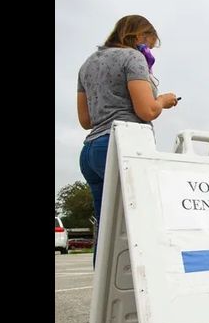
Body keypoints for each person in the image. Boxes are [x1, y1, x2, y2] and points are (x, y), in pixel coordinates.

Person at [77, 15, 179, 264]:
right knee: (141, 224)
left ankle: (104, 296)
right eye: (150, 45)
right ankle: (142, 294)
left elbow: (85, 120)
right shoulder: (132, 58)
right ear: (139, 37)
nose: (149, 52)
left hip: (91, 149)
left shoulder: (87, 65)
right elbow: (147, 110)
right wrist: (163, 101)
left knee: (107, 230)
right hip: (123, 144)